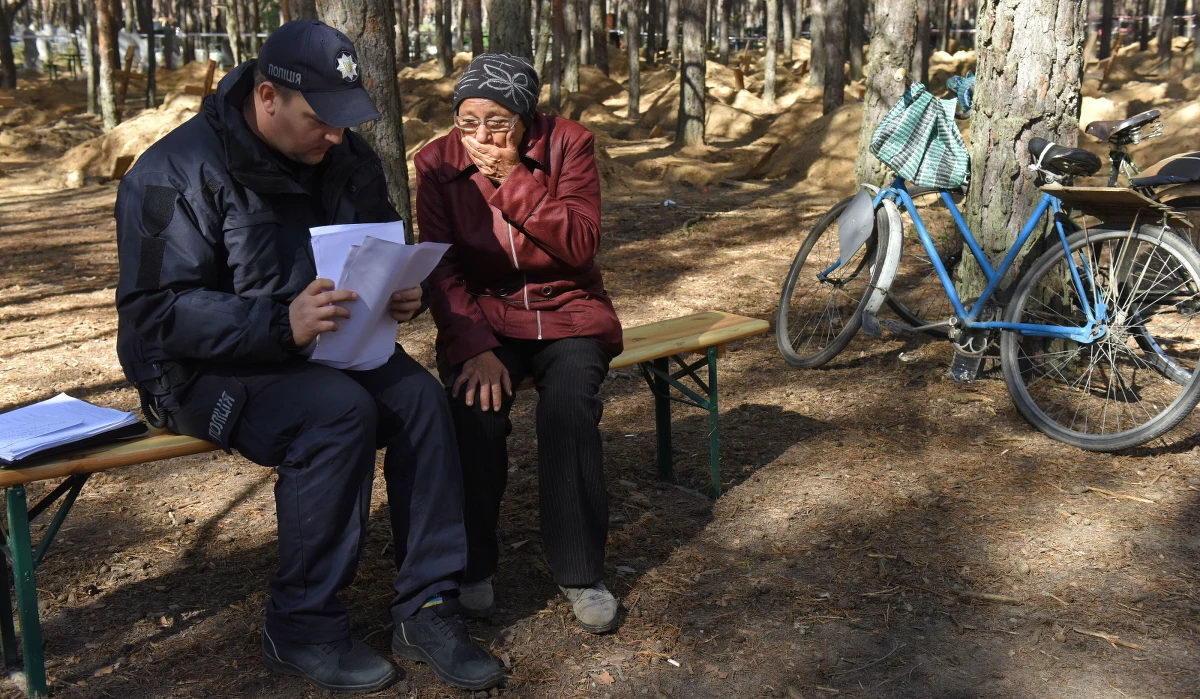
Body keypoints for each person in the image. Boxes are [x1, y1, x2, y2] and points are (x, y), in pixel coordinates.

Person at [113, 20, 503, 694]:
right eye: (319, 120)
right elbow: (155, 314)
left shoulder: (344, 154)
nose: (335, 136)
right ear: (267, 97)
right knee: (336, 413)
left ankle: (428, 605)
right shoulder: (172, 173)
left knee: (420, 400)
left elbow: (371, 245)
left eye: (343, 121)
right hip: (194, 369)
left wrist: (395, 292)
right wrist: (280, 322)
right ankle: (301, 623)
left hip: (322, 341)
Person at [416, 53, 624, 633]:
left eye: (497, 122)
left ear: (525, 118)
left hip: (568, 308)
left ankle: (581, 573)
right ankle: (472, 566)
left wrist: (514, 180)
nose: (481, 137)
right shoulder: (436, 161)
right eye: (468, 122)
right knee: (474, 410)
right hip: (485, 314)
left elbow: (580, 243)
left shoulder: (568, 144)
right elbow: (441, 268)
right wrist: (472, 346)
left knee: (569, 409)